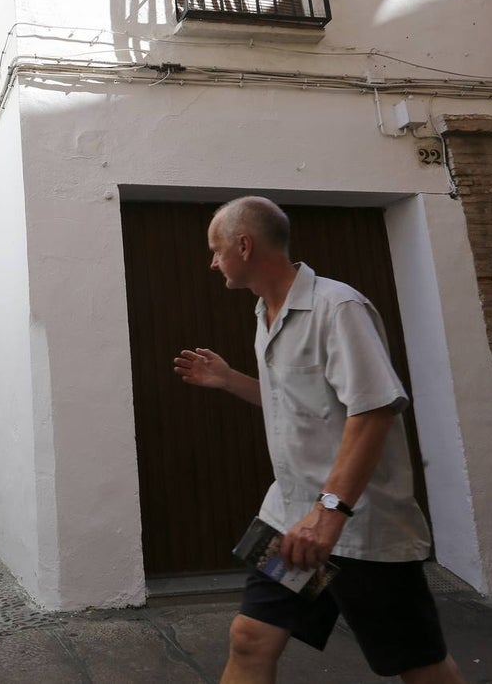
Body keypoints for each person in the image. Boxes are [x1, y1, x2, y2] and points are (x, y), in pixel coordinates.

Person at [172, 196, 463, 683]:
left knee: (418, 663)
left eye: (216, 249)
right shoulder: (266, 314)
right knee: (250, 638)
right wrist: (231, 381)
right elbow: (297, 404)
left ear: (244, 245)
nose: (212, 261)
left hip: (357, 528)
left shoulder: (337, 306)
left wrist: (329, 512)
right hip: (288, 522)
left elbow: (372, 410)